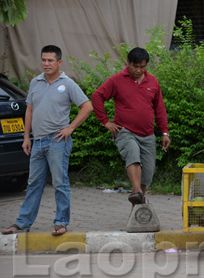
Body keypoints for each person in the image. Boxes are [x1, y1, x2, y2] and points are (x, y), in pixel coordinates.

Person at [2, 45, 93, 236]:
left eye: (50, 60)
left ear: (59, 62)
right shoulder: (36, 82)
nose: (46, 63)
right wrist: (27, 137)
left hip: (58, 141)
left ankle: (61, 222)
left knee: (60, 182)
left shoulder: (67, 83)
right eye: (44, 60)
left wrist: (70, 128)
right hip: (38, 141)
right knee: (33, 183)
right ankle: (22, 223)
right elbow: (29, 110)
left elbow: (87, 106)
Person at [91, 47, 170, 206]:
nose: (139, 70)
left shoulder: (152, 81)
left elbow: (159, 108)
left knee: (147, 173)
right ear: (128, 63)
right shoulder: (117, 80)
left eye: (143, 67)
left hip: (147, 134)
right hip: (125, 131)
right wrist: (106, 122)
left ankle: (137, 204)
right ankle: (137, 192)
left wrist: (164, 132)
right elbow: (97, 96)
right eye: (136, 66)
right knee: (132, 154)